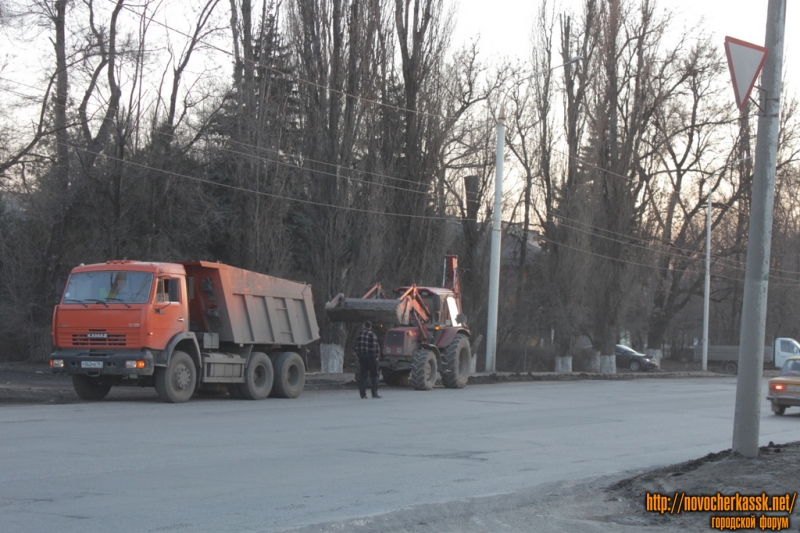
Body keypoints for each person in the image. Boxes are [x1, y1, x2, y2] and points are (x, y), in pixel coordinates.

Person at [355, 321, 381, 399]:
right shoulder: (372, 334)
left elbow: (356, 347)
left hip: (362, 357)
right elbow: (375, 347)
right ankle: (374, 393)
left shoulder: (359, 334)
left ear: (363, 326)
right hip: (371, 357)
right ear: (370, 327)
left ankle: (363, 394)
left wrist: (359, 355)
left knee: (363, 376)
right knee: (374, 375)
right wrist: (376, 357)